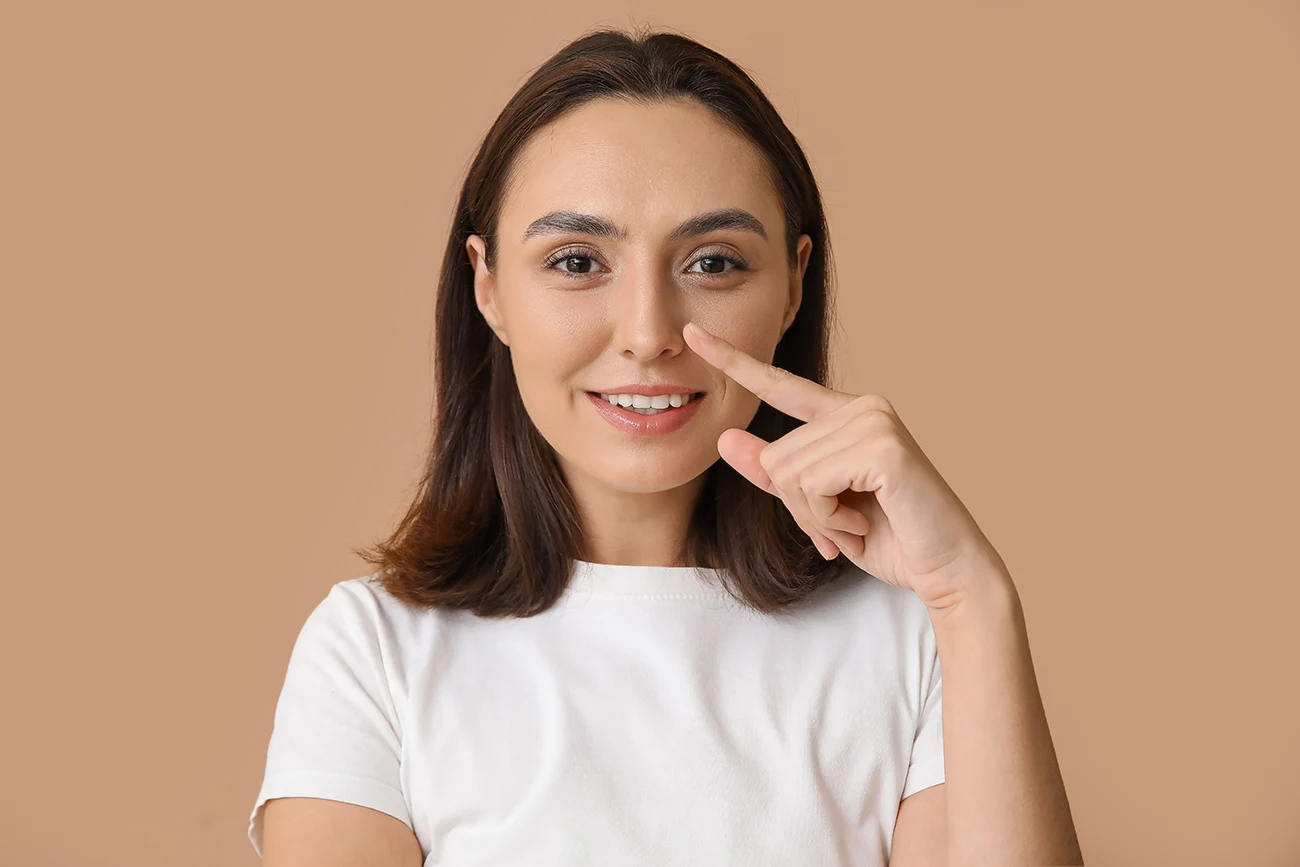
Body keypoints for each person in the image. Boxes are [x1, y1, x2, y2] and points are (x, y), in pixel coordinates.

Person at [248, 25, 1083, 866]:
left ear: (794, 283)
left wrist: (973, 597)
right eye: (577, 261)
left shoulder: (914, 638)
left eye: (714, 262)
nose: (648, 334)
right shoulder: (375, 651)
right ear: (489, 286)